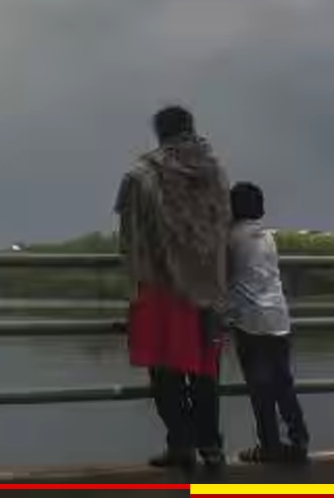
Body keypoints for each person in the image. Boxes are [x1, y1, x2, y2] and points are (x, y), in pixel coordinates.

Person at [115, 105, 230, 472]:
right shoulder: (215, 172)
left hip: (161, 288)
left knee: (165, 372)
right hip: (209, 288)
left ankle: (180, 445)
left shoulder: (142, 175)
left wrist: (131, 290)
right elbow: (222, 224)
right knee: (205, 371)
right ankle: (211, 446)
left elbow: (131, 239)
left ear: (159, 133)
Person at [226, 182, 309, 465]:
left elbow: (222, 276)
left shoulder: (232, 237)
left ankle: (269, 445)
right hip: (279, 317)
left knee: (260, 389)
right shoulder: (267, 236)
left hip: (251, 322)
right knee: (283, 384)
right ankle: (299, 439)